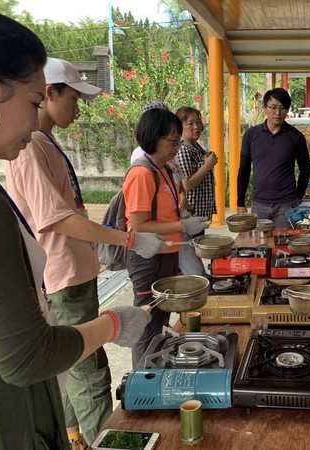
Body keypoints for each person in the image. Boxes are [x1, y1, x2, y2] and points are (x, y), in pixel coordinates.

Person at [0, 10, 151, 449]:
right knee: (88, 381)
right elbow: (29, 356)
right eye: (32, 102)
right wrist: (113, 324)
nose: (35, 120)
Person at [3, 57, 167, 447]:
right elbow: (57, 218)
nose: (78, 109)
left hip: (78, 270)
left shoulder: (46, 141)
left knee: (76, 367)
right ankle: (102, 440)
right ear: (48, 94)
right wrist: (128, 239)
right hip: (63, 275)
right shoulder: (29, 148)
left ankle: (75, 436)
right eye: (73, 99)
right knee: (91, 372)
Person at [124, 108, 209, 367]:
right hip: (147, 256)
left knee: (161, 319)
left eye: (177, 140)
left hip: (166, 252)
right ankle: (143, 374)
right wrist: (181, 223)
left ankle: (156, 366)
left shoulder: (163, 169)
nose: (176, 146)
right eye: (171, 140)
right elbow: (138, 225)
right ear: (153, 137)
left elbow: (163, 209)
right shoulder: (142, 173)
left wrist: (181, 214)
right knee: (146, 318)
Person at [237, 88, 310, 228]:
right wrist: (240, 203)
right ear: (265, 108)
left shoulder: (296, 137)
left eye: (282, 108)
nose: (277, 113)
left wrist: (299, 196)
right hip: (259, 204)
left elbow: (305, 168)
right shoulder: (251, 135)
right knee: (260, 246)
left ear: (287, 110)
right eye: (273, 107)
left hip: (286, 204)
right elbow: (244, 169)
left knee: (284, 244)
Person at [175, 106, 217, 276]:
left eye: (198, 122)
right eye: (190, 123)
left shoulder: (195, 146)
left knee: (196, 250)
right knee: (190, 255)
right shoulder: (183, 149)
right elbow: (186, 185)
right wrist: (207, 166)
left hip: (200, 213)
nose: (196, 127)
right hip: (192, 214)